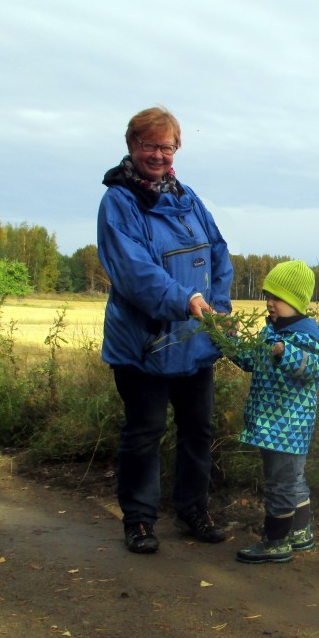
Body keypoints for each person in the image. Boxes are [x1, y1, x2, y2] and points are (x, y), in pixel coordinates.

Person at [97, 106, 233, 554]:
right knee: (144, 432)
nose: (158, 154)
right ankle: (138, 520)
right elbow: (133, 272)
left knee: (198, 430)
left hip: (195, 340)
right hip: (145, 343)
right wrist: (186, 300)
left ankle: (194, 510)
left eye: (167, 146)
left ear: (177, 149)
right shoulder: (119, 202)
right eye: (149, 145)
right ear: (132, 146)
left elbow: (217, 250)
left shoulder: (187, 197)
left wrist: (221, 306)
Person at [231, 260, 319, 564]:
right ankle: (300, 534)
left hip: (289, 426)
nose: (270, 304)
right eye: (267, 297)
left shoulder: (306, 335)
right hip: (269, 423)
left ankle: (275, 542)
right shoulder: (271, 331)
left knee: (281, 484)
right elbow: (253, 362)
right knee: (292, 480)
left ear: (297, 302)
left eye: (277, 298)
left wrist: (286, 353)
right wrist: (231, 343)